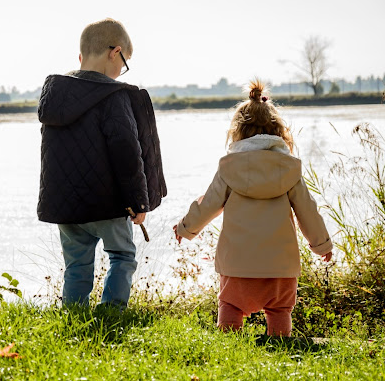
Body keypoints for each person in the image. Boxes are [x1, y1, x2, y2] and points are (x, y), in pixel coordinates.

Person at [173, 79, 333, 336]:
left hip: (237, 264)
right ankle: (280, 345)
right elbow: (308, 211)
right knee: (280, 310)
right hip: (280, 266)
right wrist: (322, 244)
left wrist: (185, 228)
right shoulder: (289, 168)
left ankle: (228, 346)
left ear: (238, 130)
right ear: (278, 129)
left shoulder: (229, 167)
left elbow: (208, 204)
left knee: (230, 306)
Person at [37, 18, 167, 308]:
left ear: (81, 57)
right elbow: (126, 151)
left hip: (66, 206)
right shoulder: (113, 96)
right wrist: (138, 201)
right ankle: (112, 312)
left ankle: (73, 313)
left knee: (76, 264)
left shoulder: (56, 97)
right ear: (115, 52)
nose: (122, 71)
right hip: (108, 203)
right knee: (122, 256)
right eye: (124, 63)